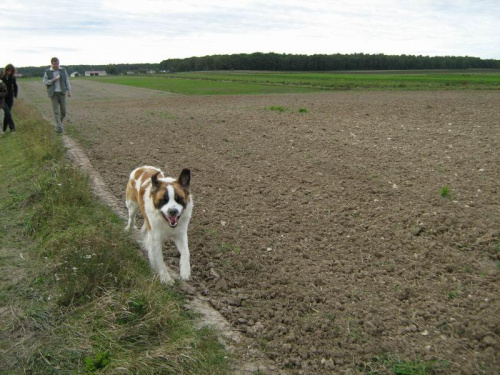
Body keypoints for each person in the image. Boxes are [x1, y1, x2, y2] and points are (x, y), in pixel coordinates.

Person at [43, 57, 71, 133]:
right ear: (52, 64)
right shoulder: (48, 71)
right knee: (56, 111)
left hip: (62, 92)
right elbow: (45, 82)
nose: (56, 65)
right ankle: (59, 127)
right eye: (55, 64)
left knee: (64, 112)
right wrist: (53, 80)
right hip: (53, 93)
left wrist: (69, 91)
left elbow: (67, 80)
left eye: (57, 63)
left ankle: (59, 123)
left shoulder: (63, 70)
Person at [1, 64, 17, 133]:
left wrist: (15, 95)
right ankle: (12, 128)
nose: (9, 72)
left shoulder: (12, 77)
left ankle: (4, 129)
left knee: (7, 113)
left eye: (10, 71)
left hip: (10, 97)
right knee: (7, 112)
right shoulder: (1, 76)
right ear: (6, 70)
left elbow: (15, 86)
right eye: (8, 71)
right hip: (2, 98)